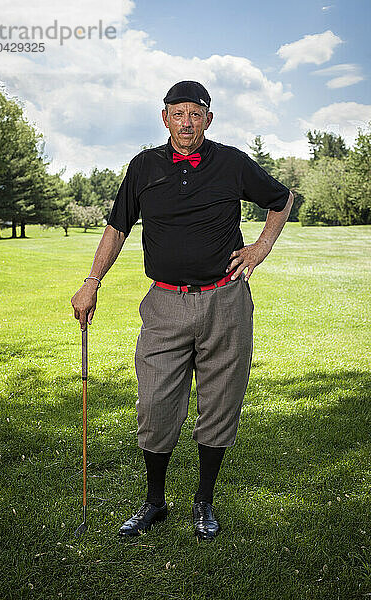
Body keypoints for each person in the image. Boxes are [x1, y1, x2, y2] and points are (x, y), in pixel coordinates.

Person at [71, 80, 293, 542]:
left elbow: (282, 199)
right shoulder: (144, 167)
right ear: (165, 116)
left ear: (208, 119)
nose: (187, 122)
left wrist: (259, 248)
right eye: (178, 113)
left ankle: (203, 501)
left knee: (220, 404)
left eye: (196, 114)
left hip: (225, 301)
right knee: (154, 405)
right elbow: (117, 226)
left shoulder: (230, 162)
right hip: (165, 304)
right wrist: (92, 281)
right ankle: (155, 502)